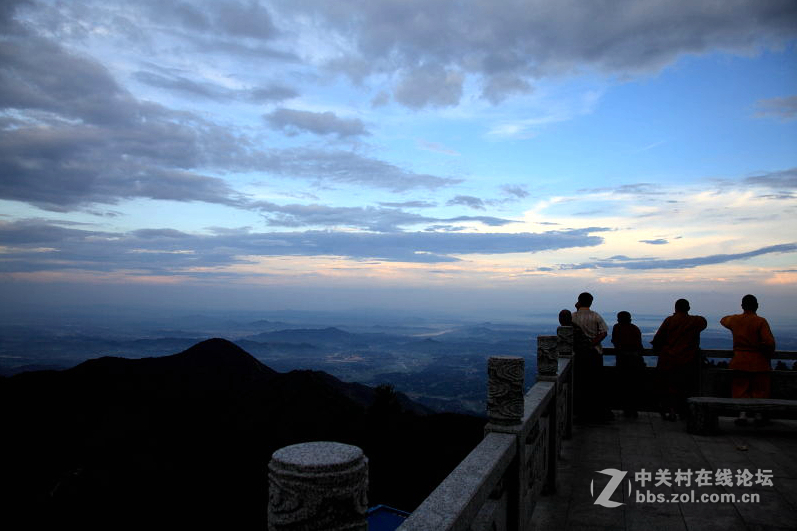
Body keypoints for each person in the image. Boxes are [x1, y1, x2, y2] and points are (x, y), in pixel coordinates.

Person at [720, 294, 776, 426]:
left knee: (740, 389)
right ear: (757, 306)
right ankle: (758, 415)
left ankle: (742, 415)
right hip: (759, 361)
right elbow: (769, 343)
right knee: (760, 390)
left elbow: (723, 320)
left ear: (742, 306)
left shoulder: (735, 320)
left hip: (739, 361)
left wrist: (738, 316)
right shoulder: (761, 321)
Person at [651, 299, 707, 421]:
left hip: (669, 360)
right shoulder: (696, 321)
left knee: (669, 388)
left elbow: (658, 339)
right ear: (688, 308)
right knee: (685, 388)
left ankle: (671, 411)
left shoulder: (669, 320)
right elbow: (704, 322)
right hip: (688, 361)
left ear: (675, 308)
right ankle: (685, 412)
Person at [570, 292, 612, 421]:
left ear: (578, 301)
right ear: (591, 302)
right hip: (595, 353)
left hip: (578, 354)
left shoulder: (573, 316)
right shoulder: (595, 316)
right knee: (595, 383)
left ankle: (580, 411)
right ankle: (595, 411)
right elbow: (604, 332)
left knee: (580, 382)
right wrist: (592, 343)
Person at [611, 311, 645, 418]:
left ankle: (626, 409)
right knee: (634, 387)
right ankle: (633, 410)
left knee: (624, 386)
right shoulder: (635, 329)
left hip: (623, 362)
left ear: (619, 319)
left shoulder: (617, 328)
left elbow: (615, 342)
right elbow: (639, 346)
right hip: (635, 361)